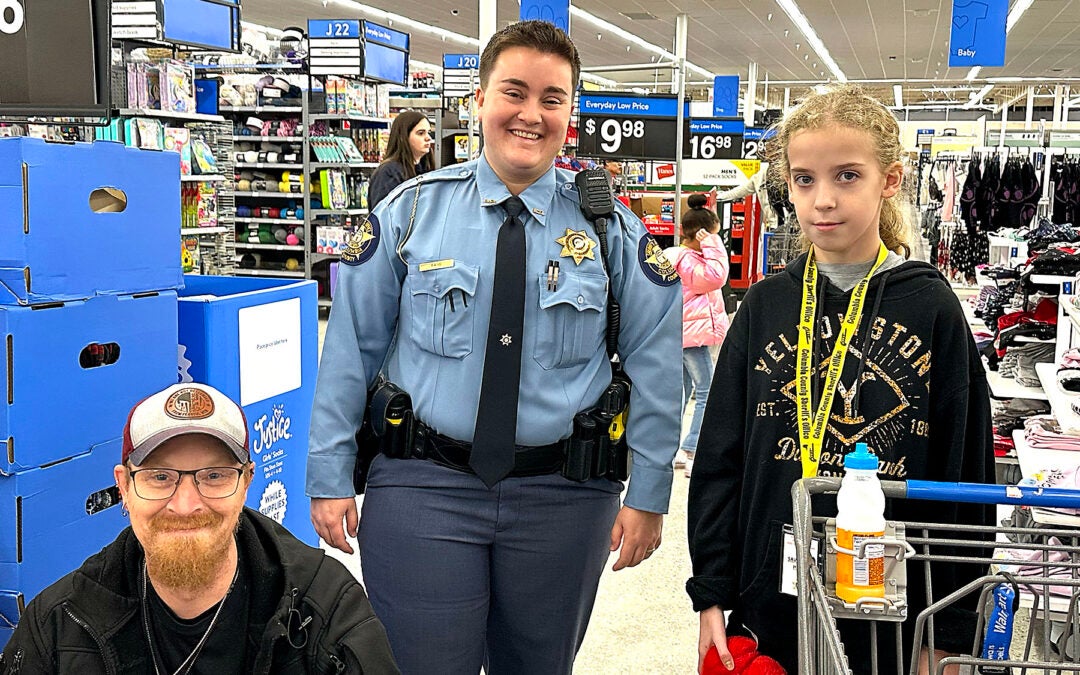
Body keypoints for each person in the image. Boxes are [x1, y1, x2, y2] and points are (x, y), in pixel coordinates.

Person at [308, 19, 682, 675]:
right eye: (514, 92)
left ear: (571, 111)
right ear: (478, 101)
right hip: (423, 485)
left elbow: (655, 361)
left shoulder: (610, 229)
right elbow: (350, 351)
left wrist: (648, 491)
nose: (531, 115)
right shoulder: (411, 213)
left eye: (552, 98)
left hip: (565, 496)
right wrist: (329, 473)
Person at [686, 84, 993, 675]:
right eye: (804, 179)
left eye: (847, 176)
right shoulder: (766, 304)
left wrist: (951, 628)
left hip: (898, 607)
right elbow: (721, 458)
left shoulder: (932, 306)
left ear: (892, 180)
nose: (822, 200)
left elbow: (967, 473)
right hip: (769, 595)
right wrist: (712, 591)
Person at [0, 383, 399, 674]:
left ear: (246, 483)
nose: (186, 505)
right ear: (123, 486)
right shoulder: (61, 624)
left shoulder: (323, 612)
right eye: (159, 477)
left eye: (213, 475)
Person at [663, 195, 730, 477]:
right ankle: (692, 449)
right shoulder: (689, 260)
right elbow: (716, 277)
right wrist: (712, 244)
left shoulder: (677, 256)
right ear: (703, 234)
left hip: (680, 334)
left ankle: (672, 450)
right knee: (708, 391)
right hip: (692, 338)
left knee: (683, 392)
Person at [367, 110, 435, 210]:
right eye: (421, 133)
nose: (428, 138)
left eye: (428, 132)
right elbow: (383, 215)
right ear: (403, 137)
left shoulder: (425, 168)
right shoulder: (388, 172)